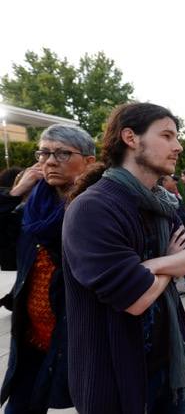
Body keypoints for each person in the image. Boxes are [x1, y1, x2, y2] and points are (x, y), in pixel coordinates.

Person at [62, 102, 185, 414]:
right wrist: (171, 262)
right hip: (117, 380)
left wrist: (154, 265)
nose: (177, 146)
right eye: (167, 136)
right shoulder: (93, 208)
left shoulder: (160, 202)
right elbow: (135, 297)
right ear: (130, 137)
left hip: (170, 367)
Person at [0, 125, 96, 413]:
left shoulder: (98, 204)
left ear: (89, 161)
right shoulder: (33, 206)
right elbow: (5, 249)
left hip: (78, 335)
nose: (50, 161)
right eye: (43, 153)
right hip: (31, 336)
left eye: (62, 153)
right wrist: (17, 191)